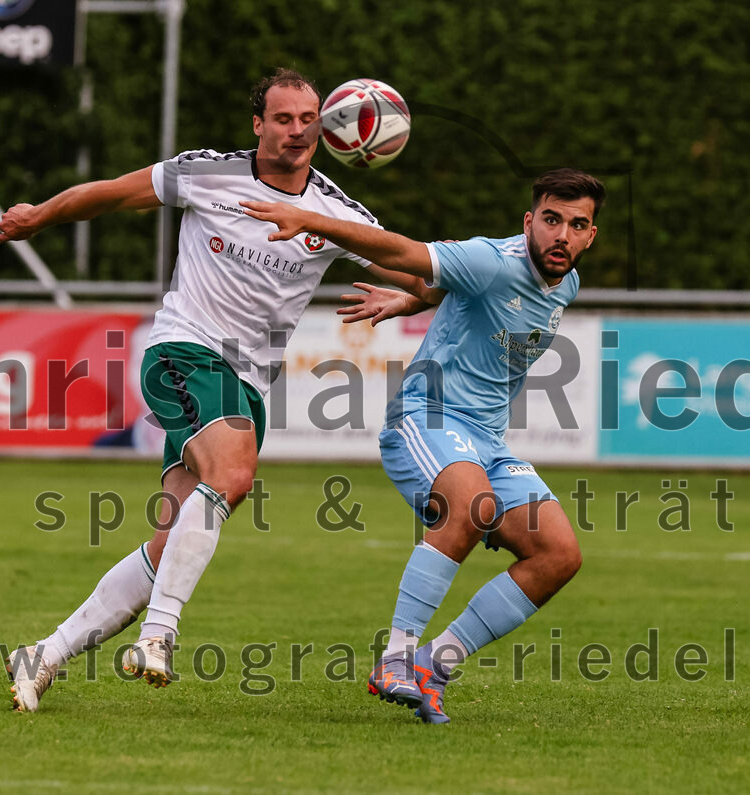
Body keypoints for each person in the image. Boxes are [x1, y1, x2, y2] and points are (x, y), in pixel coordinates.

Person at [0, 68, 435, 712]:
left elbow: (426, 274)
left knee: (169, 542)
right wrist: (40, 216)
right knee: (233, 473)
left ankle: (45, 655)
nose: (296, 132)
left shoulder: (334, 213)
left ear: (326, 126)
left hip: (247, 382)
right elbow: (111, 195)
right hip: (184, 350)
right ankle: (159, 635)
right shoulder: (207, 172)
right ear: (258, 124)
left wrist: (406, 298)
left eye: (307, 119)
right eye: (282, 119)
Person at [242, 167, 605, 723]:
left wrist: (411, 303)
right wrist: (312, 219)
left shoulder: (567, 284)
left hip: (487, 439)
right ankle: (395, 658)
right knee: (471, 507)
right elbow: (407, 253)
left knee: (558, 555)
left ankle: (436, 663)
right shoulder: (491, 258)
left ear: (590, 236)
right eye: (551, 220)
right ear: (529, 221)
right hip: (428, 416)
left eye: (576, 225)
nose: (562, 235)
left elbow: (448, 293)